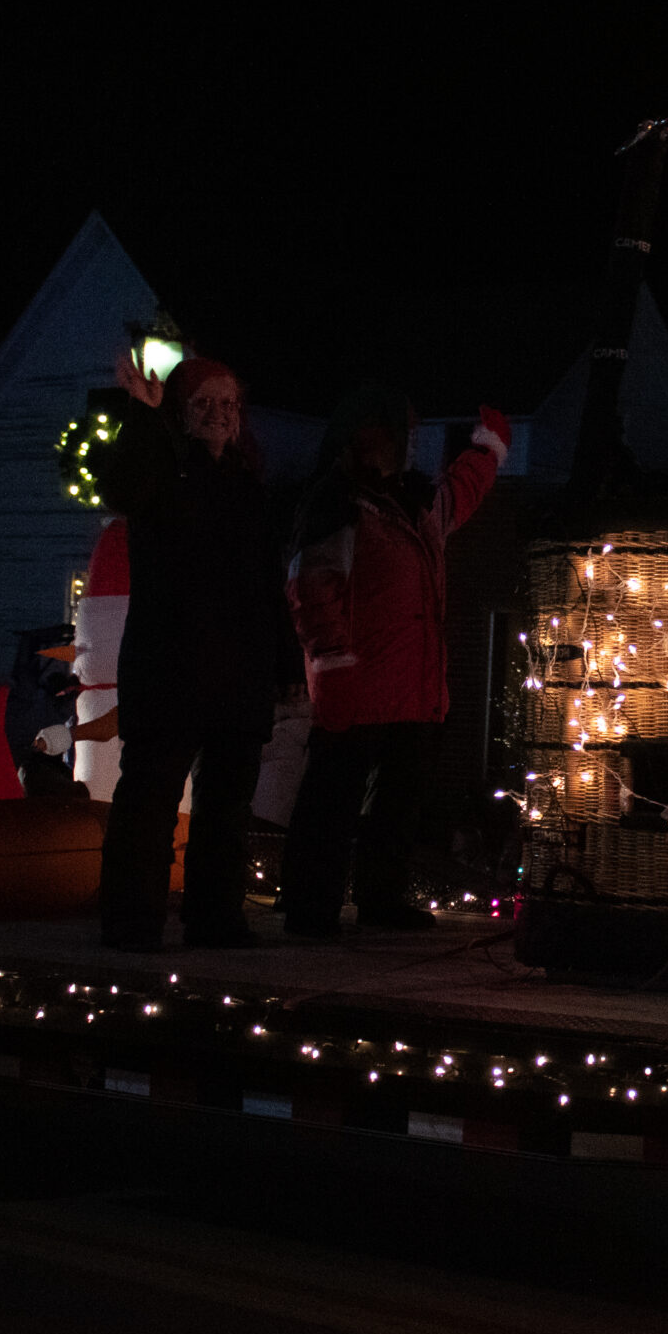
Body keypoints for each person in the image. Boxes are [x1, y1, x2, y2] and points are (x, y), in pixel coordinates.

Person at [278, 384, 509, 935]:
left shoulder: (413, 503)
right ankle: (311, 906)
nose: (412, 441)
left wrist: (487, 452)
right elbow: (312, 587)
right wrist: (333, 662)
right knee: (334, 798)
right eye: (404, 430)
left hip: (410, 684)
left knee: (397, 801)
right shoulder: (339, 504)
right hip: (360, 681)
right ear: (370, 434)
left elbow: (460, 492)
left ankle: (379, 898)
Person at [88, 351, 292, 952]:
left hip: (238, 672)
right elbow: (122, 486)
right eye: (203, 402)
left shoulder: (249, 487)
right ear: (181, 410)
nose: (219, 413)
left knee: (227, 808)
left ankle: (215, 917)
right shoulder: (163, 470)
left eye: (228, 403)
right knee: (150, 802)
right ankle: (131, 921)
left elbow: (268, 582)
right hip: (171, 666)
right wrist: (144, 416)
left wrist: (285, 663)